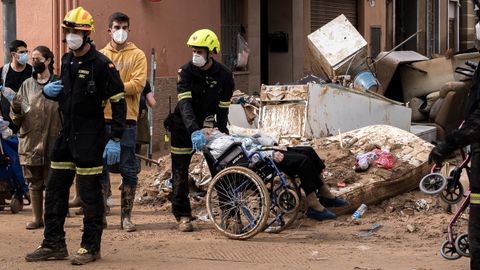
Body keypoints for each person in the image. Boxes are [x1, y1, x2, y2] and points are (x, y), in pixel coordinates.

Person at [25, 7, 126, 265]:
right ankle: (53, 244)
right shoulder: (68, 60)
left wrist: (115, 137)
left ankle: (90, 247)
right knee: (55, 190)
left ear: (88, 33)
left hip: (90, 138)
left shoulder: (103, 65)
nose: (71, 36)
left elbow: (118, 101)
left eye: (76, 32)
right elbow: (68, 94)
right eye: (68, 31)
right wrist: (51, 92)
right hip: (66, 136)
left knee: (90, 196)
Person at [165, 29, 234, 232]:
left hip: (209, 128)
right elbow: (185, 105)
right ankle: (183, 215)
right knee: (179, 172)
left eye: (199, 50)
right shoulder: (185, 72)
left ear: (210, 52)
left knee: (220, 169)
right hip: (181, 127)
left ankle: (230, 214)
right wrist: (194, 130)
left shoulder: (224, 75)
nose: (195, 54)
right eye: (193, 50)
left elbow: (223, 108)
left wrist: (221, 132)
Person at [203, 128, 348, 220]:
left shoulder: (225, 137)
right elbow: (248, 153)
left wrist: (272, 146)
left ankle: (325, 194)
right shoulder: (219, 143)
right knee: (303, 161)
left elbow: (251, 144)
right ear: (208, 134)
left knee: (308, 151)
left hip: (264, 151)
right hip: (261, 160)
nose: (215, 127)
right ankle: (314, 205)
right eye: (211, 128)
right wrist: (271, 151)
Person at [100, 12, 147, 232]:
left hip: (128, 120)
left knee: (129, 169)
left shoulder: (137, 55)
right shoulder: (100, 55)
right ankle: (100, 214)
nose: (121, 31)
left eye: (125, 27)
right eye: (117, 27)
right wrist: (119, 86)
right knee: (99, 168)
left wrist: (111, 88)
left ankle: (126, 217)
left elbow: (137, 85)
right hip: (102, 119)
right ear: (109, 30)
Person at [9, 45, 61, 230]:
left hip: (53, 141)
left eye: (38, 59)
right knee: (34, 182)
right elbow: (17, 115)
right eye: (33, 59)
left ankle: (53, 220)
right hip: (31, 141)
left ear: (48, 60)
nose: (34, 62)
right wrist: (14, 108)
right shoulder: (27, 85)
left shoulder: (59, 83)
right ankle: (37, 218)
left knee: (53, 183)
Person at [0, 39, 33, 134]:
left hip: (26, 123)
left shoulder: (32, 71)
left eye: (27, 51)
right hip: (6, 125)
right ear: (13, 54)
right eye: (22, 52)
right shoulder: (3, 71)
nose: (25, 54)